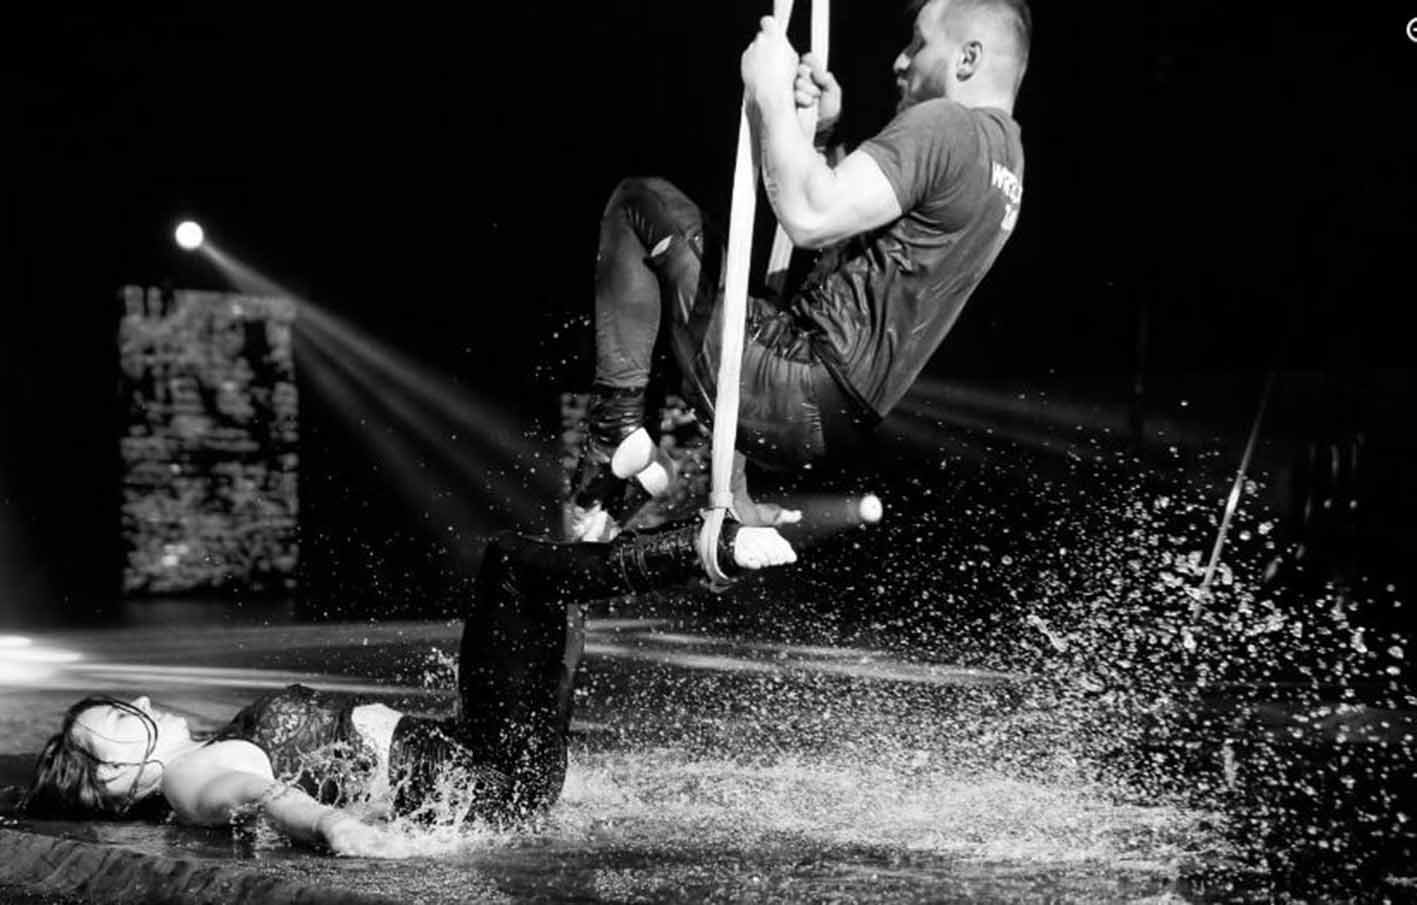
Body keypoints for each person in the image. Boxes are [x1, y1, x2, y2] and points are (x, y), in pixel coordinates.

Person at [21, 520, 796, 858]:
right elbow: (249, 796)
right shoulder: (194, 774)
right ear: (112, 785)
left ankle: (613, 530)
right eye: (120, 717)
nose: (146, 705)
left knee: (538, 586)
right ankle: (705, 547)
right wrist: (333, 827)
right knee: (512, 569)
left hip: (491, 766)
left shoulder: (217, 741)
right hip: (491, 771)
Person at [570, 0, 1030, 541]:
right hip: (831, 418)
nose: (900, 62)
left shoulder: (949, 125)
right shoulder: (1007, 162)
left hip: (793, 378)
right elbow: (862, 251)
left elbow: (812, 217)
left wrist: (770, 92)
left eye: (918, 43)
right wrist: (822, 134)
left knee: (639, 204)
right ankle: (673, 491)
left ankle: (610, 438)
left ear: (968, 57)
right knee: (686, 312)